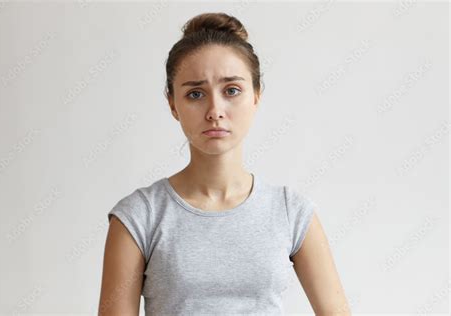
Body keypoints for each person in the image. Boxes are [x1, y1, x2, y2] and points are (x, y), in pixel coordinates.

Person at [99, 12, 350, 316]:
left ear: (256, 95)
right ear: (173, 105)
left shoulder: (291, 212)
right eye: (195, 94)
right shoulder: (139, 217)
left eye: (231, 90)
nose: (215, 110)